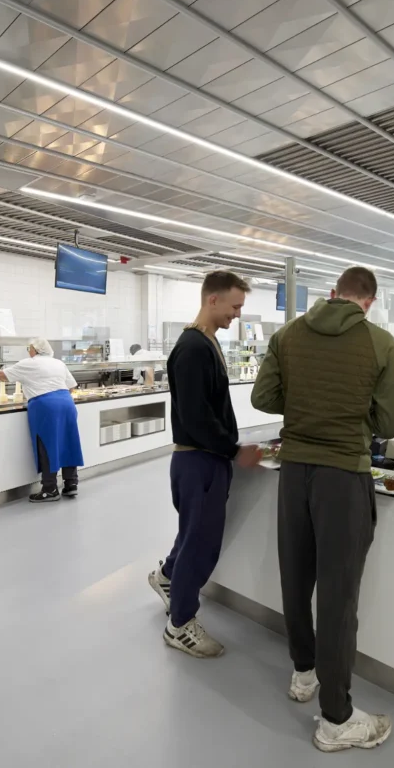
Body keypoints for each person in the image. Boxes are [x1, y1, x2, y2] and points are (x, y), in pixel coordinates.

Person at [251, 267, 394, 753]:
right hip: (343, 473)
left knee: (296, 577)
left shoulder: (288, 334)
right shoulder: (380, 343)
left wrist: (306, 405)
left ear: (333, 293)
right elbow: (390, 420)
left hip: (294, 471)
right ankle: (337, 719)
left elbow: (263, 397)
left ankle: (303, 674)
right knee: (338, 598)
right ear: (370, 301)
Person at [148, 271, 262, 658]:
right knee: (201, 544)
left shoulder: (207, 342)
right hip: (199, 461)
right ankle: (179, 624)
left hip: (204, 459)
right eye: (234, 306)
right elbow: (197, 418)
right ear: (212, 300)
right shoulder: (194, 347)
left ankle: (166, 577)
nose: (237, 314)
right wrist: (233, 450)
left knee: (191, 534)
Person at [0, 338, 82, 504]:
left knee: (47, 444)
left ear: (34, 349)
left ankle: (50, 489)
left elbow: (2, 375)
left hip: (46, 406)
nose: (28, 350)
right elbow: (71, 386)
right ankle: (71, 484)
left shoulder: (29, 363)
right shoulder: (57, 363)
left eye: (29, 348)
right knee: (68, 442)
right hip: (66, 403)